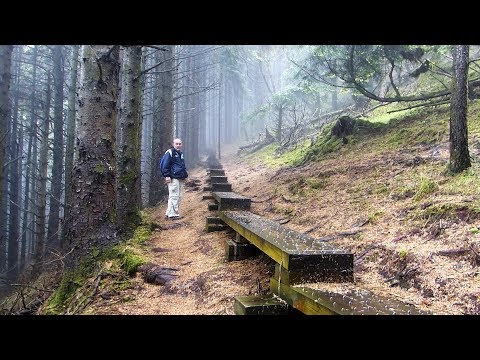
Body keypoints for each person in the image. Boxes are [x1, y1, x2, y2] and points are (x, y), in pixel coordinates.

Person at [160, 138, 188, 220]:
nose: (178, 145)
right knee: (174, 196)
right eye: (177, 144)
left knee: (178, 196)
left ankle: (169, 213)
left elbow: (182, 166)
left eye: (180, 144)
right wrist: (167, 176)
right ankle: (173, 215)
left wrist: (185, 176)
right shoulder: (170, 152)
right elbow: (165, 164)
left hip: (180, 178)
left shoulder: (180, 153)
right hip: (173, 178)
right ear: (173, 144)